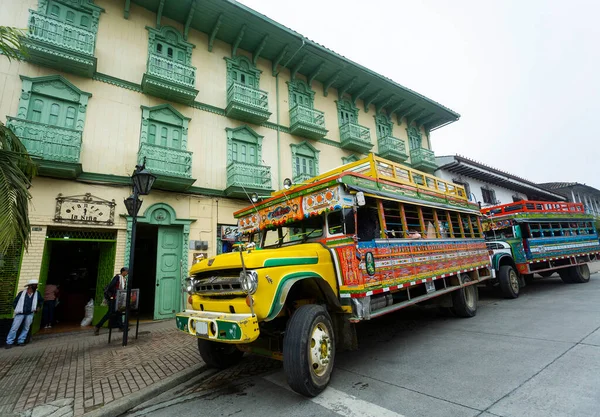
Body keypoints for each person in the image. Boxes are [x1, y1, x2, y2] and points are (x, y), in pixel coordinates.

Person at [5, 280, 44, 348]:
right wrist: (17, 309)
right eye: (34, 285)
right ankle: (9, 342)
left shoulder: (37, 293)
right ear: (30, 286)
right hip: (20, 313)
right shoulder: (22, 293)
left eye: (36, 285)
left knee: (26, 328)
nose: (36, 286)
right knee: (14, 328)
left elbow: (41, 301)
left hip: (30, 313)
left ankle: (21, 341)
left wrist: (38, 307)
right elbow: (15, 302)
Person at [94, 267, 128, 335]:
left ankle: (121, 327)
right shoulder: (117, 277)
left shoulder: (124, 279)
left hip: (119, 299)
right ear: (123, 271)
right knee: (110, 313)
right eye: (127, 271)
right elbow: (111, 287)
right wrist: (117, 292)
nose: (127, 273)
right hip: (114, 298)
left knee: (119, 312)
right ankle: (98, 326)